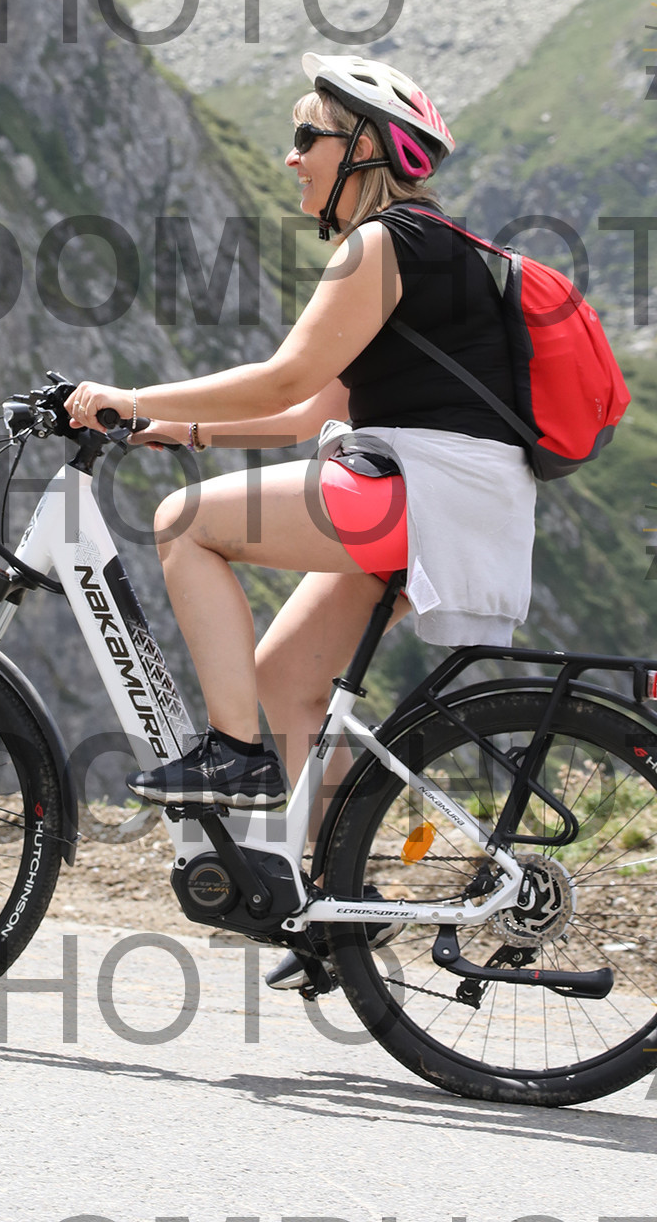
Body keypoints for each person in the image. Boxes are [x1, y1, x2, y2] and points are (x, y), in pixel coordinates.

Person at [65, 53, 538, 828]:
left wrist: (132, 397)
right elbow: (310, 412)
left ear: (364, 147)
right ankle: (334, 882)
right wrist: (175, 428)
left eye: (306, 137)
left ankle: (233, 754)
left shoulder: (383, 244)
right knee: (285, 677)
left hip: (426, 495)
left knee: (184, 523)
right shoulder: (426, 245)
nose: (291, 157)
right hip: (457, 503)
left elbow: (281, 382)